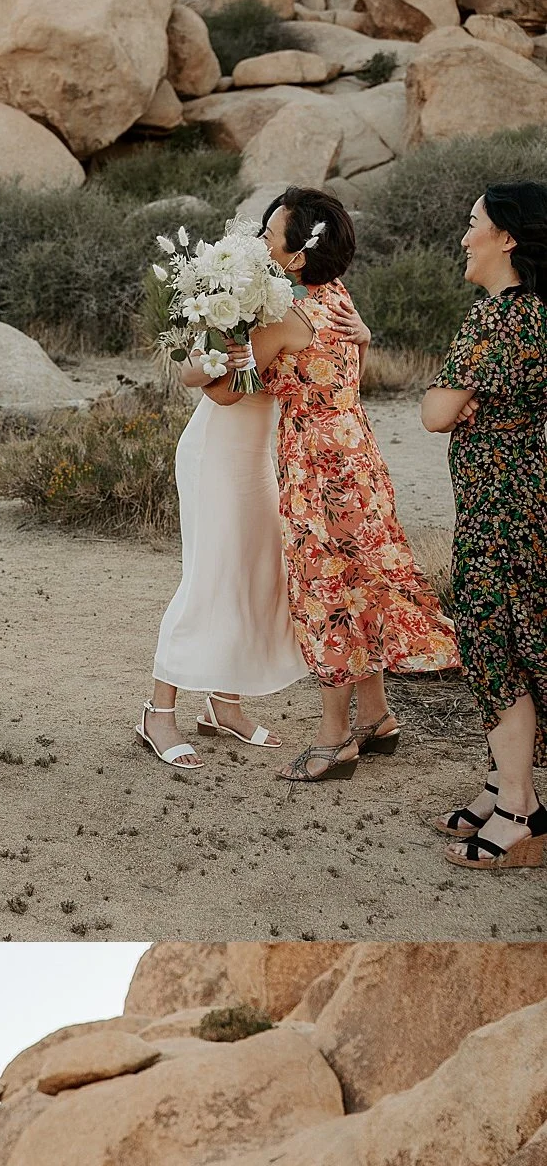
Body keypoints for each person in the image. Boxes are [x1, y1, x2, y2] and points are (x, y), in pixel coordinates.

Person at [251, 189, 460, 785]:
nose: (262, 242)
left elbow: (230, 385)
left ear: (296, 257)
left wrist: (207, 332)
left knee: (326, 589)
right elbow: (349, 367)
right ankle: (376, 715)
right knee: (359, 578)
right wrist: (364, 339)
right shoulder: (338, 298)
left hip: (317, 464)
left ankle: (334, 736)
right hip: (355, 449)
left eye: (271, 233)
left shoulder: (289, 318)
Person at [421, 177, 547, 870]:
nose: (464, 236)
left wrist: (447, 397)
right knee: (515, 636)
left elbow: (437, 411)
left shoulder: (497, 318)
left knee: (492, 644)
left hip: (498, 510)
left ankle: (517, 809)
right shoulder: (535, 315)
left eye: (474, 223)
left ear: (506, 237)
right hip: (522, 500)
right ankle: (502, 781)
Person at [140, 299, 308, 769]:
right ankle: (158, 712)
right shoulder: (235, 303)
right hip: (213, 455)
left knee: (253, 572)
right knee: (207, 577)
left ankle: (223, 704)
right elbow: (197, 375)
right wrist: (236, 358)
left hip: (255, 459)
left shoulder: (297, 308)